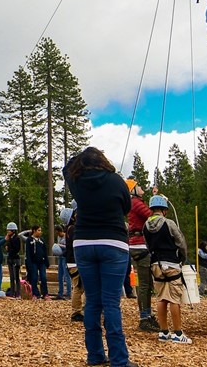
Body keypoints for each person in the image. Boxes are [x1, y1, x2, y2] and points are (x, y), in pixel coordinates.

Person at [64, 147, 136, 367]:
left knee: (93, 301)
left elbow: (66, 167)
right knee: (111, 303)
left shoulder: (77, 180)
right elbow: (127, 207)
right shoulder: (116, 181)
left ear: (83, 163)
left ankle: (95, 355)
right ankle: (119, 360)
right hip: (113, 242)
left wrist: (81, 159)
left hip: (84, 243)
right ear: (103, 160)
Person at [146, 195, 192, 345]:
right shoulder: (169, 223)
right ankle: (178, 333)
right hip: (171, 263)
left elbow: (147, 245)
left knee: (161, 298)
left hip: (155, 265)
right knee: (174, 298)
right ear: (164, 210)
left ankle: (164, 332)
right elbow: (181, 242)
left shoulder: (145, 225)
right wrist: (183, 259)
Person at [127, 183, 159, 332]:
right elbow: (152, 217)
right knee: (145, 284)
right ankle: (144, 317)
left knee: (146, 283)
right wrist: (157, 200)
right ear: (133, 190)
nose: (142, 188)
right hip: (140, 245)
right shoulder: (136, 203)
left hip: (136, 244)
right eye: (138, 186)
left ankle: (147, 314)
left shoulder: (133, 202)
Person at [24, 226, 49, 300]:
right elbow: (28, 253)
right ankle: (35, 294)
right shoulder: (29, 240)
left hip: (42, 262)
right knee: (34, 278)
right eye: (39, 230)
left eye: (40, 230)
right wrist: (29, 263)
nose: (40, 232)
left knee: (43, 277)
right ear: (34, 231)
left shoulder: (42, 240)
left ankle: (45, 293)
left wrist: (47, 262)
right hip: (33, 262)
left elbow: (45, 251)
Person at [4, 222, 23, 298]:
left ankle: (18, 293)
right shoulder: (9, 238)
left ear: (13, 231)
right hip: (10, 259)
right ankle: (12, 292)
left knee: (16, 276)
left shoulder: (17, 238)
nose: (8, 232)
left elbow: (16, 249)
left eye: (9, 230)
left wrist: (9, 248)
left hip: (15, 259)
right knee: (11, 277)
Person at [54, 225, 70, 300]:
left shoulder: (66, 236)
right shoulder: (58, 237)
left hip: (65, 257)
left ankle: (68, 293)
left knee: (67, 276)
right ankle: (60, 292)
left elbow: (68, 246)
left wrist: (59, 245)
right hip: (60, 257)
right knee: (60, 276)